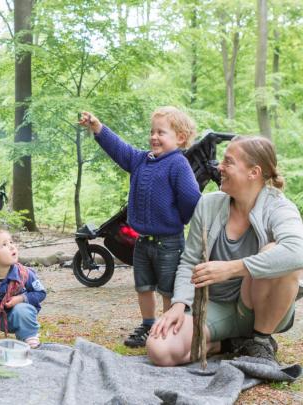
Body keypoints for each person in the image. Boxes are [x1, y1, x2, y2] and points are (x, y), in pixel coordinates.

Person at [147, 136, 303, 366]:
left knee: (277, 252)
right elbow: (190, 261)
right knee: (159, 349)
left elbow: (297, 251)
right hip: (213, 307)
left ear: (254, 172)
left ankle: (260, 341)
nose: (218, 166)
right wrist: (179, 304)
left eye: (228, 162)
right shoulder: (208, 204)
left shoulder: (279, 207)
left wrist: (232, 269)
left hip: (259, 307)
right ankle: (230, 345)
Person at [79, 107, 201, 348]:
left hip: (169, 242)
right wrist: (97, 127)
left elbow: (191, 198)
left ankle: (169, 328)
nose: (154, 137)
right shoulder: (141, 160)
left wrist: (178, 220)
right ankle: (147, 324)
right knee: (143, 286)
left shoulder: (178, 164)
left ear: (180, 138)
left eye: (161, 132)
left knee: (168, 289)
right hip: (142, 240)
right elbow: (119, 149)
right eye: (152, 131)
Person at [0, 230, 47, 349]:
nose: (11, 246)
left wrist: (21, 298)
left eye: (11, 242)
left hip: (19, 317)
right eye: (4, 245)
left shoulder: (25, 274)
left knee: (22, 309)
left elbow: (40, 293)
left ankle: (28, 336)